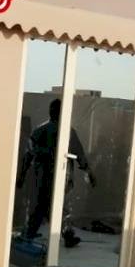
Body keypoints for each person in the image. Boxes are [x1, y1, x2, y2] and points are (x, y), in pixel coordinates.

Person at [16, 98, 97, 248]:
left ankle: (31, 235)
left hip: (44, 177)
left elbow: (28, 156)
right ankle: (55, 235)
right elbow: (79, 154)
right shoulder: (66, 132)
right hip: (58, 177)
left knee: (42, 207)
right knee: (53, 207)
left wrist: (21, 176)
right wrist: (89, 172)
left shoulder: (40, 130)